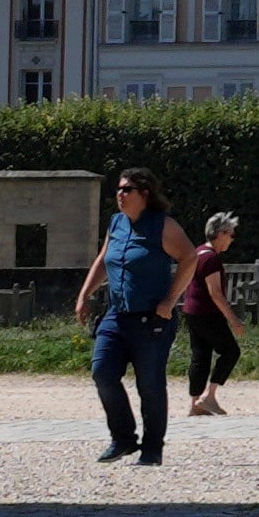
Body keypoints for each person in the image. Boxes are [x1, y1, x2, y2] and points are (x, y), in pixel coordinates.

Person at [77, 170, 179, 466]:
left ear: (144, 194)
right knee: (102, 372)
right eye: (119, 189)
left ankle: (152, 448)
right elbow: (103, 260)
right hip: (116, 314)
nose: (120, 194)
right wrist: (85, 294)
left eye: (127, 189)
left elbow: (189, 259)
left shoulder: (163, 226)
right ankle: (123, 438)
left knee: (149, 385)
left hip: (151, 320)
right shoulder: (116, 223)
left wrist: (170, 301)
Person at [173, 209, 250, 416]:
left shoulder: (197, 252)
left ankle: (195, 404)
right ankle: (209, 395)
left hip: (192, 311)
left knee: (200, 356)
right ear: (221, 233)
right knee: (231, 351)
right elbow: (215, 293)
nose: (232, 240)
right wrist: (233, 319)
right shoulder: (211, 259)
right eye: (231, 235)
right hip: (207, 313)